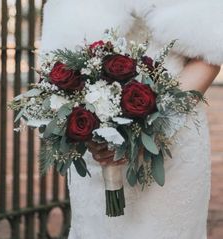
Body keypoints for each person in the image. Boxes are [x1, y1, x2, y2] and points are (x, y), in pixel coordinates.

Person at [40, 0, 222, 238]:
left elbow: (210, 54)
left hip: (173, 143)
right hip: (98, 150)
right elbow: (57, 67)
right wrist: (87, 130)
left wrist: (154, 127)